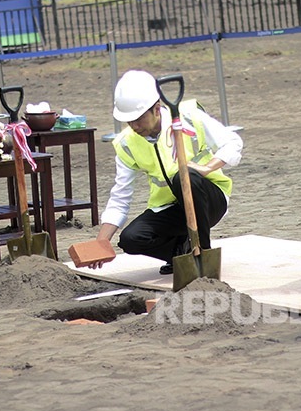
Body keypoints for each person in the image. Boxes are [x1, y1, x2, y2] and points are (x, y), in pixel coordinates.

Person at [89, 70, 243, 274]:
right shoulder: (126, 143)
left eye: (139, 118)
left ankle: (203, 253)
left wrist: (207, 168)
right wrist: (101, 243)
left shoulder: (188, 117)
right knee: (131, 239)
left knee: (184, 176)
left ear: (156, 109)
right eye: (129, 121)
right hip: (171, 209)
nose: (134, 126)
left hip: (208, 201)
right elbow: (120, 198)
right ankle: (182, 253)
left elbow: (233, 142)